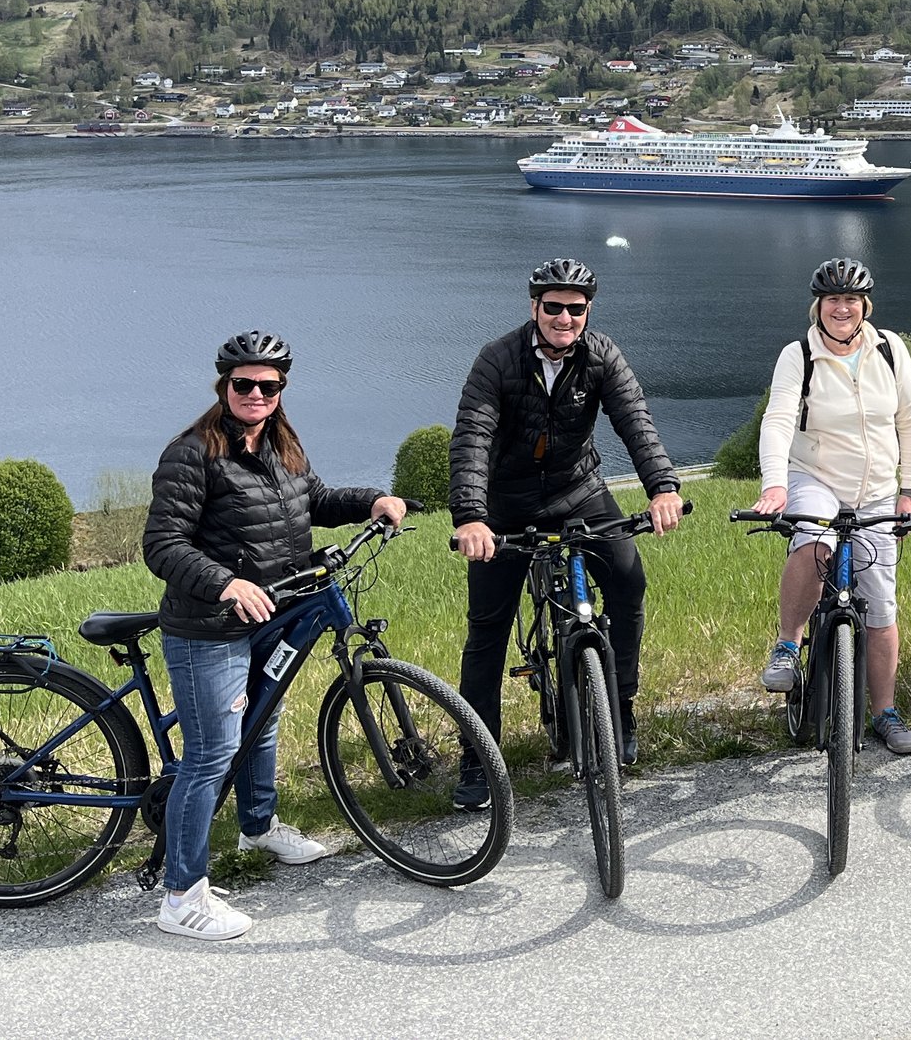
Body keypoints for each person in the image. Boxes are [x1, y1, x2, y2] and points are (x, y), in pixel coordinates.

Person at [143, 331, 406, 941]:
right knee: (210, 755)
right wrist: (225, 584)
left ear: (282, 390)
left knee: (263, 721)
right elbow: (162, 544)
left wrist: (373, 499)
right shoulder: (192, 453)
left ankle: (258, 826)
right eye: (245, 384)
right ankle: (181, 899)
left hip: (276, 610)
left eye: (269, 385)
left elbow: (311, 500)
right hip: (209, 627)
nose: (256, 394)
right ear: (224, 386)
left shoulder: (281, 444)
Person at [450, 259, 683, 801]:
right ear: (534, 308)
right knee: (487, 632)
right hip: (505, 506)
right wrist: (471, 517)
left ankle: (618, 709)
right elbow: (472, 437)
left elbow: (635, 420)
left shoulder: (601, 355)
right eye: (552, 306)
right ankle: (477, 759)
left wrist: (663, 486)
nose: (564, 317)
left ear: (588, 312)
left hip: (576, 491)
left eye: (575, 309)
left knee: (629, 583)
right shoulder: (498, 358)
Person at [751, 259, 911, 754]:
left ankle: (885, 713)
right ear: (818, 307)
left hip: (876, 487)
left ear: (864, 306)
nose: (842, 308)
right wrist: (775, 486)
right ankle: (789, 644)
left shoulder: (890, 350)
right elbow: (779, 418)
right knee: (816, 539)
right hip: (815, 477)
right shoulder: (798, 355)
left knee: (882, 603)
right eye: (833, 300)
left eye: (851, 300)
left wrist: (909, 491)